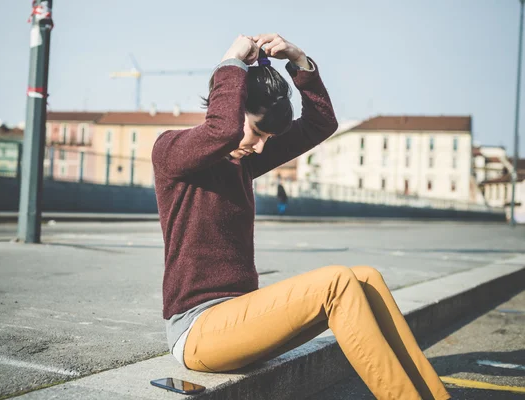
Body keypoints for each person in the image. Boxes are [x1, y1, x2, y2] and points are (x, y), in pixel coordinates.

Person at [152, 33, 450, 400]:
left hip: (240, 319)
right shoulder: (171, 152)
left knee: (366, 278)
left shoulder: (242, 165)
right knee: (336, 282)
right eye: (257, 132)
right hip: (197, 331)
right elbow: (224, 130)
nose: (260, 146)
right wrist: (231, 61)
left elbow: (320, 123)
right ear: (230, 105)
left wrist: (299, 60)